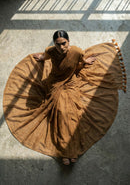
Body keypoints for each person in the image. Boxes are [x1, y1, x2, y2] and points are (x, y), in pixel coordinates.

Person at [3, 30, 126, 166]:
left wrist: (86, 61)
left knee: (72, 113)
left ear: (68, 42)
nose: (61, 47)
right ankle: (68, 152)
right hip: (55, 83)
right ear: (54, 44)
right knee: (61, 111)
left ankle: (68, 152)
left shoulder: (77, 52)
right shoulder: (50, 51)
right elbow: (46, 56)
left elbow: (82, 60)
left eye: (64, 44)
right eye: (58, 44)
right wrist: (42, 59)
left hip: (72, 82)